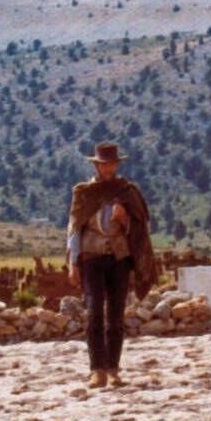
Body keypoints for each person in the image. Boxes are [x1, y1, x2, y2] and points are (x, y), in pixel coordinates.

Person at [66, 142, 153, 388]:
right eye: (104, 163)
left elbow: (140, 227)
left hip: (119, 259)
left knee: (115, 315)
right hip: (92, 258)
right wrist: (74, 262)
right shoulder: (84, 193)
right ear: (97, 165)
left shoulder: (127, 192)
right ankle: (97, 369)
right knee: (94, 313)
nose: (109, 167)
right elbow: (74, 229)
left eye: (112, 163)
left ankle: (113, 369)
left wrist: (125, 220)